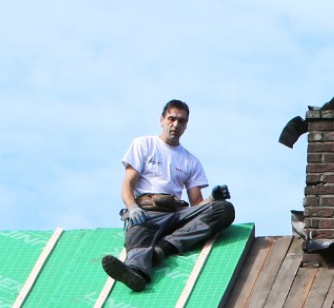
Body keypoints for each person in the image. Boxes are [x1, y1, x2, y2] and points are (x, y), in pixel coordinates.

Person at [101, 99, 236, 293]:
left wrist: (214, 198)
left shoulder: (190, 161)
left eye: (181, 121)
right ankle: (135, 273)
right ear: (162, 120)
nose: (176, 125)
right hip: (147, 212)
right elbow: (127, 184)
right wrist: (132, 207)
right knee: (137, 229)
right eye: (172, 119)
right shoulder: (144, 144)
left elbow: (197, 203)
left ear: (186, 125)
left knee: (224, 209)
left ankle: (163, 249)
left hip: (176, 214)